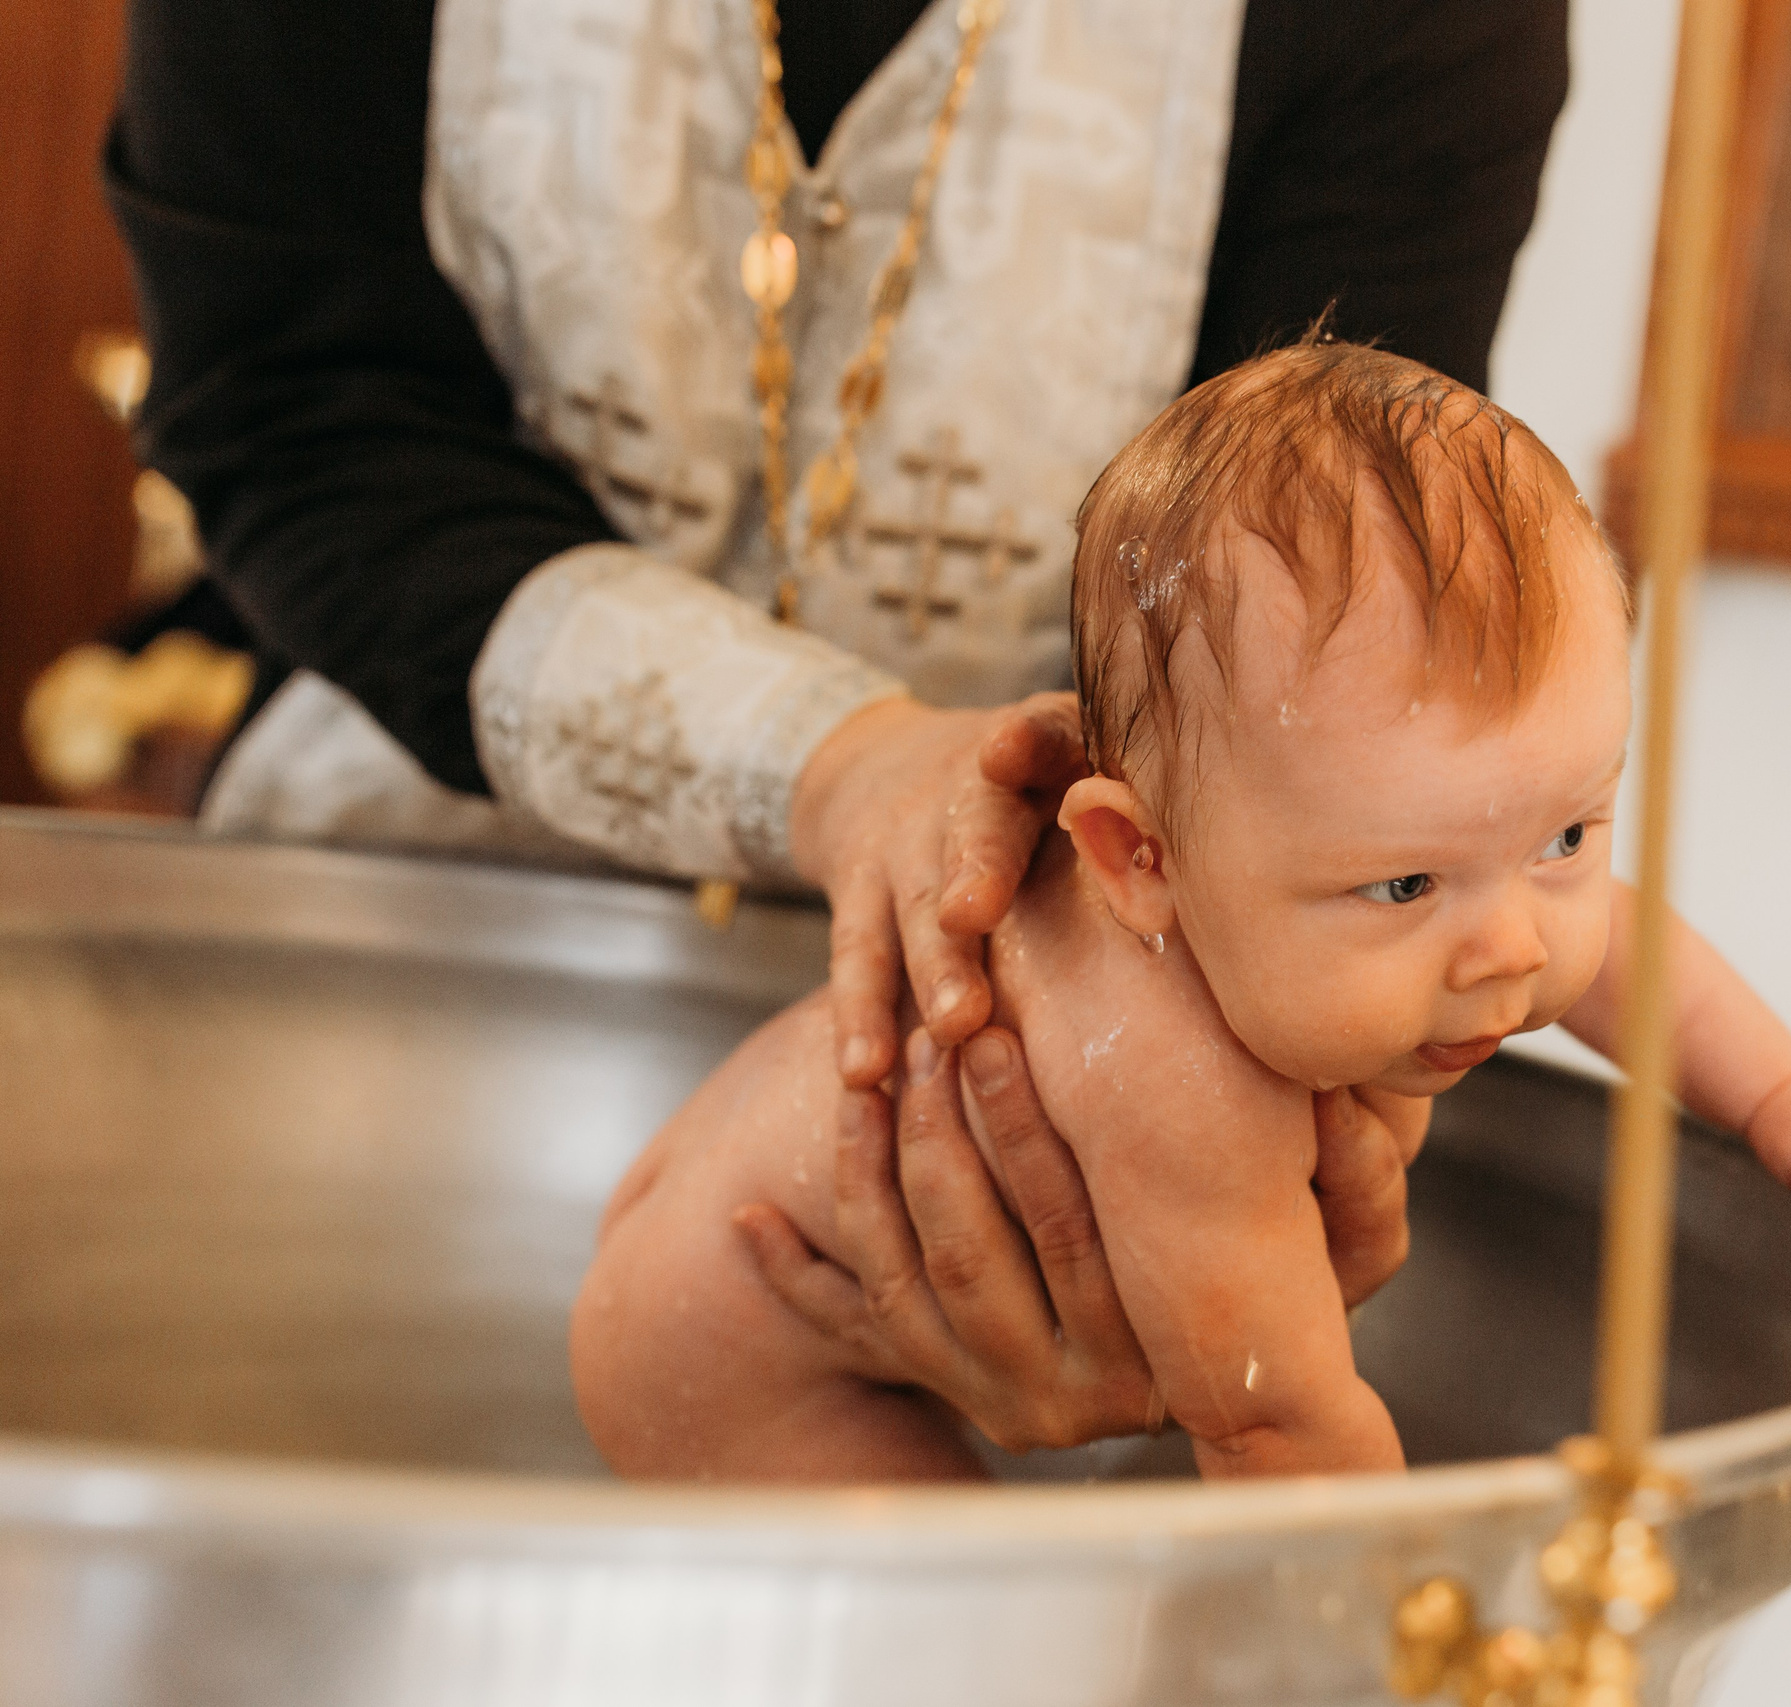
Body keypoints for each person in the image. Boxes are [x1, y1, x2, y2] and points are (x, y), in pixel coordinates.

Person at [108, 0, 1568, 1449]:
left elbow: (1332, 589)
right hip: (384, 1002)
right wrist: (840, 758)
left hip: (1056, 1054)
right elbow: (290, 399)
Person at [570, 345, 1791, 1482]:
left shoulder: (1424, 857)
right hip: (728, 1329)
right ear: (1136, 859)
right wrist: (1425, 1624)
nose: (1517, 945)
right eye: (1403, 886)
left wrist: (1774, 1091)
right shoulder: (1180, 1081)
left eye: (1566, 832)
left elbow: (1618, 944)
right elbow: (1271, 1423)